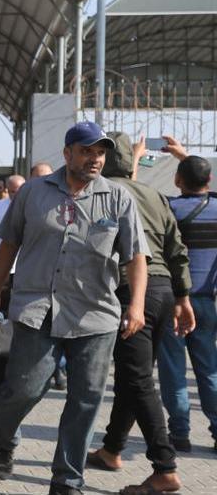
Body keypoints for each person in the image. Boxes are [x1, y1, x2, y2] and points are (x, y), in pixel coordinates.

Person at [0, 121, 149, 495]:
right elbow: (8, 243)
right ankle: (4, 441)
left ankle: (67, 480)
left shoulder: (118, 198)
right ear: (67, 153)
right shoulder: (34, 193)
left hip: (95, 315)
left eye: (100, 152)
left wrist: (136, 305)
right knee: (23, 390)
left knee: (86, 398)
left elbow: (136, 257)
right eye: (87, 151)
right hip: (35, 308)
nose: (95, 159)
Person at [86, 132, 193, 495]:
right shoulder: (153, 194)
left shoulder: (99, 193)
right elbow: (176, 247)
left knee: (138, 380)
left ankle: (165, 468)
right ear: (132, 163)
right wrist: (183, 297)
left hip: (130, 291)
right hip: (162, 291)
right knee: (136, 376)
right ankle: (113, 449)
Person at [158, 140, 217, 454]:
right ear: (208, 181)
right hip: (207, 301)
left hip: (175, 301)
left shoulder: (169, 208)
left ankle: (179, 433)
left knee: (172, 367)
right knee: (209, 368)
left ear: (178, 180)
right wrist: (185, 157)